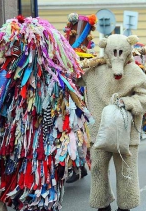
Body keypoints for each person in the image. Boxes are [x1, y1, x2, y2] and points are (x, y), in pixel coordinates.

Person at [0, 16, 92, 211]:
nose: (5, 55)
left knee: (42, 209)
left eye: (12, 48)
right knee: (29, 210)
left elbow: (72, 120)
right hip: (19, 160)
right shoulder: (8, 84)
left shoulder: (57, 83)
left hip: (46, 159)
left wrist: (66, 152)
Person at [78, 34, 146, 211]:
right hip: (99, 130)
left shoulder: (135, 71)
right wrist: (79, 63)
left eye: (121, 52)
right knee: (97, 168)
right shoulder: (94, 70)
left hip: (126, 131)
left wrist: (128, 102)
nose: (117, 56)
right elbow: (74, 78)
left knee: (125, 169)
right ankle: (101, 204)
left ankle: (125, 206)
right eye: (114, 52)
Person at [63, 12, 97, 183]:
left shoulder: (89, 56)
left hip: (82, 102)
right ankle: (78, 167)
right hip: (70, 100)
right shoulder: (66, 55)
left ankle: (79, 168)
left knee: (78, 133)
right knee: (74, 133)